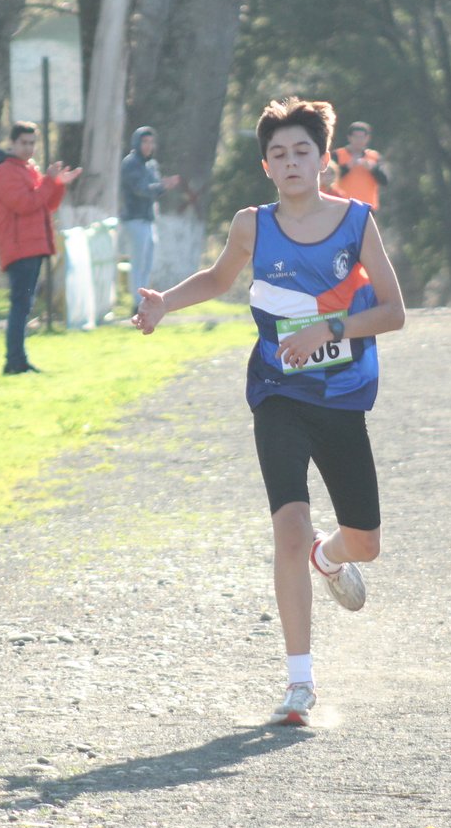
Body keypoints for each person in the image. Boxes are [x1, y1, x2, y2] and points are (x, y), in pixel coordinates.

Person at [132, 97, 406, 726]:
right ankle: (299, 683)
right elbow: (218, 278)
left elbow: (392, 311)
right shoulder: (253, 225)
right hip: (278, 392)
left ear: (322, 159)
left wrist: (327, 328)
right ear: (266, 166)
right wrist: (163, 304)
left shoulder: (356, 222)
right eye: (278, 153)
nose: (290, 161)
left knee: (366, 542)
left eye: (301, 151)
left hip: (340, 398)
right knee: (287, 527)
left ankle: (328, 556)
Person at [0, 122, 83, 374]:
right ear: (12, 143)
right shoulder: (5, 171)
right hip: (20, 247)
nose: (29, 148)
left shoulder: (29, 169)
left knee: (25, 304)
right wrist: (49, 183)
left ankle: (18, 359)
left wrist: (57, 184)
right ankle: (14, 361)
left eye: (32, 143)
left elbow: (47, 205)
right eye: (24, 143)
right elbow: (25, 203)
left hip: (35, 245)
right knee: (20, 304)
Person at [119, 126, 182, 297]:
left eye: (151, 142)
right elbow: (140, 189)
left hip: (149, 219)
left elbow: (155, 189)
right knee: (138, 264)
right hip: (135, 218)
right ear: (137, 143)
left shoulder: (151, 165)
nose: (148, 146)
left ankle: (144, 299)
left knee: (147, 264)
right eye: (144, 142)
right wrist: (162, 185)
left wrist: (164, 185)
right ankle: (137, 302)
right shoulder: (130, 163)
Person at [331, 121, 389, 211]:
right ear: (349, 138)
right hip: (343, 206)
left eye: (362, 137)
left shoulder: (374, 156)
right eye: (356, 137)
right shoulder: (337, 155)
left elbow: (385, 181)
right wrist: (347, 167)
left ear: (367, 138)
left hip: (367, 208)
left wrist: (373, 169)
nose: (359, 140)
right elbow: (328, 177)